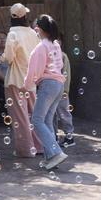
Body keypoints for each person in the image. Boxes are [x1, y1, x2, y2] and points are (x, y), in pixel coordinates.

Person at [24, 14, 68, 170]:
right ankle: (51, 157)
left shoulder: (40, 47)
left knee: (36, 120)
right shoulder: (55, 44)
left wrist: (26, 85)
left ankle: (56, 153)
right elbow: (60, 64)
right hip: (58, 84)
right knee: (47, 120)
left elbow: (34, 70)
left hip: (48, 85)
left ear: (39, 29)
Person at [1, 3, 42, 157]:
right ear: (25, 16)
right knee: (34, 114)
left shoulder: (13, 33)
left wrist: (3, 57)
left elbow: (10, 57)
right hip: (31, 80)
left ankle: (26, 149)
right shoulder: (33, 33)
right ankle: (39, 147)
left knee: (21, 116)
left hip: (15, 80)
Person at [55, 35, 75, 148]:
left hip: (61, 89)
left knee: (64, 112)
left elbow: (66, 74)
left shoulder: (63, 56)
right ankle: (54, 136)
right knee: (52, 114)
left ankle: (69, 136)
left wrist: (66, 89)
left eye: (57, 40)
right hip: (52, 89)